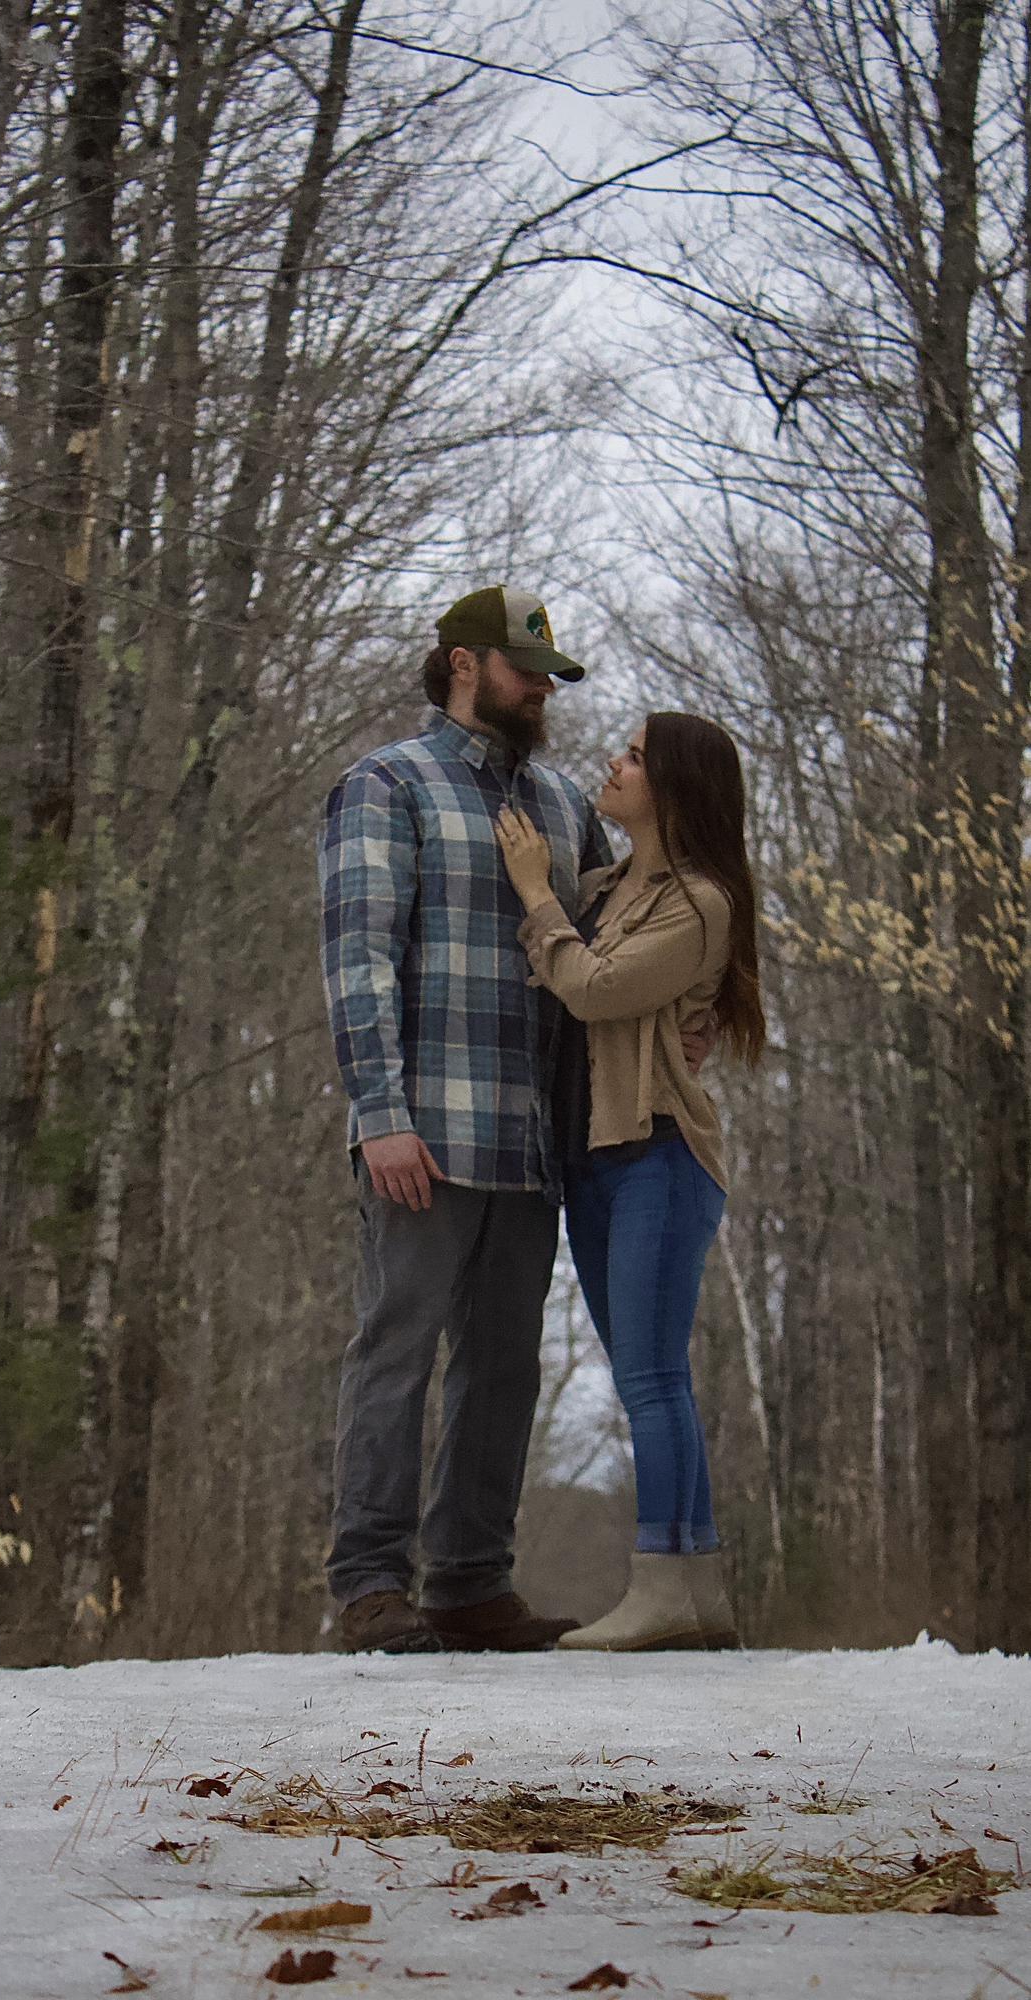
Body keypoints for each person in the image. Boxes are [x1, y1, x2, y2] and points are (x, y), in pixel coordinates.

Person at [317, 585, 613, 1654]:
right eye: (524, 668)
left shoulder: (565, 802)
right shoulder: (384, 784)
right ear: (460, 665)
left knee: (504, 1362)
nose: (540, 688)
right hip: (422, 1131)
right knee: (394, 1347)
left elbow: (612, 954)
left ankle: (471, 1583)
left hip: (531, 1141)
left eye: (545, 674)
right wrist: (378, 1111)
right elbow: (357, 963)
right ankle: (367, 1588)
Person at [495, 712, 765, 1651]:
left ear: (675, 787)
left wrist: (535, 894)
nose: (616, 761)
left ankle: (661, 1587)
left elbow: (597, 989)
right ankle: (695, 1593)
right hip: (592, 1155)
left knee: (649, 1379)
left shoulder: (703, 903)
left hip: (658, 1153)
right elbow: (584, 974)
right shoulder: (606, 885)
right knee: (651, 1377)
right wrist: (557, 908)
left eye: (637, 756)